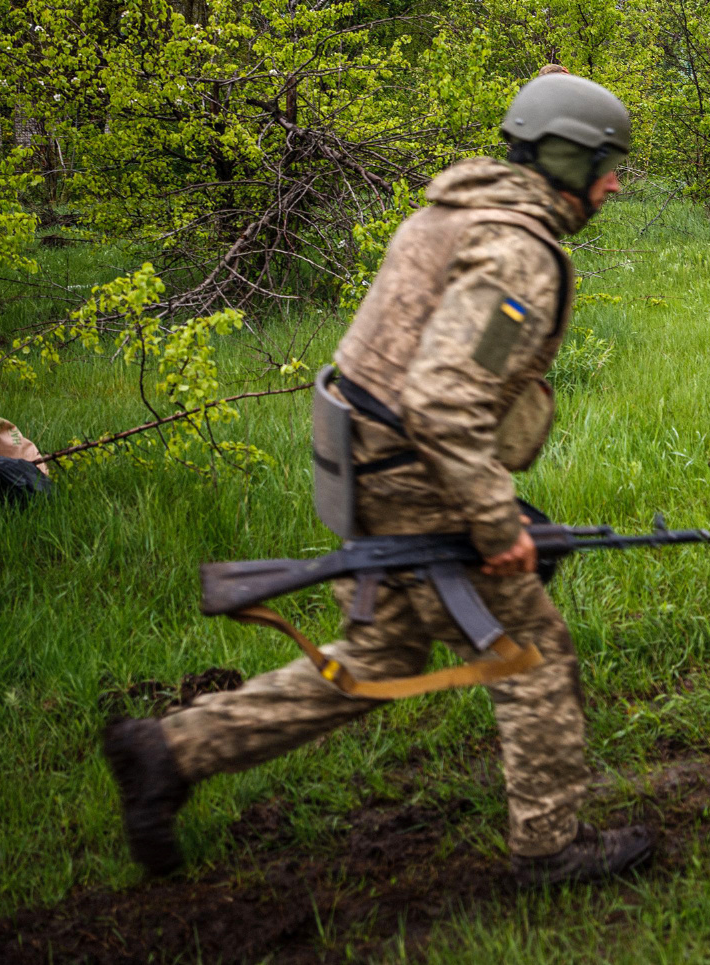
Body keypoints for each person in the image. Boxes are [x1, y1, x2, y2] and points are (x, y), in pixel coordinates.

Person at [103, 66, 656, 888]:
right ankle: (549, 845)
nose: (614, 184)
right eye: (606, 164)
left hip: (370, 465)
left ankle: (169, 751)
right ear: (565, 160)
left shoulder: (454, 212)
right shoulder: (514, 254)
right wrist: (499, 526)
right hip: (415, 470)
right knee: (535, 650)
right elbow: (443, 400)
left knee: (382, 655)